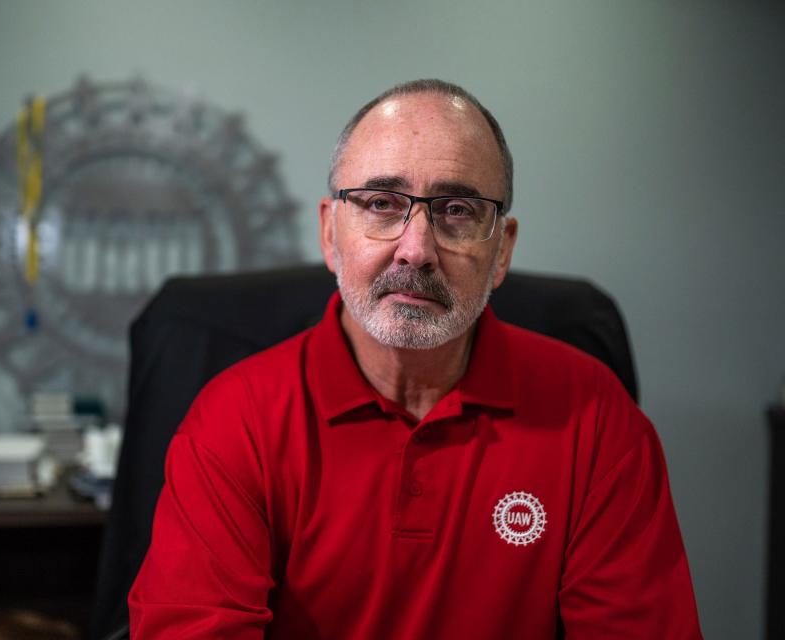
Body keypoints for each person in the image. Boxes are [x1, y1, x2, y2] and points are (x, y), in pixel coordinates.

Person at [128, 79, 702, 638]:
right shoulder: (234, 420)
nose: (417, 248)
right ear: (331, 233)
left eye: (457, 209)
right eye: (381, 203)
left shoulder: (595, 419)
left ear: (501, 250)